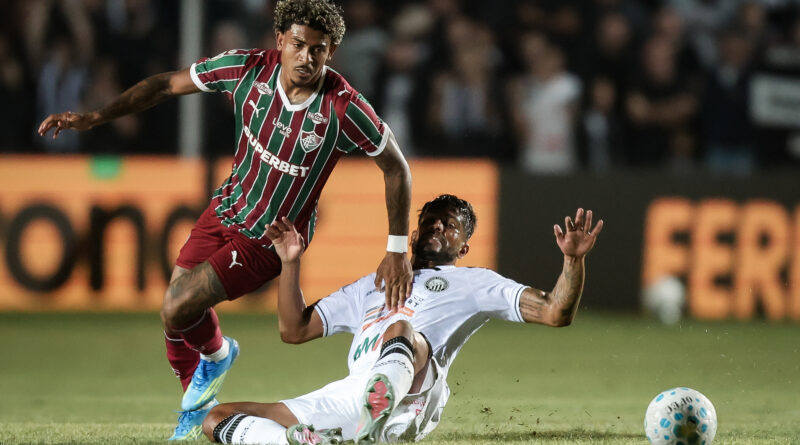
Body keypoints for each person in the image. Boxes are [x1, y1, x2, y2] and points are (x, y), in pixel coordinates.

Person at [37, 0, 413, 440]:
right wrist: (96, 117)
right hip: (226, 208)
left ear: (331, 52)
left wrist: (397, 248)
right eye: (299, 44)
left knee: (176, 305)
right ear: (280, 41)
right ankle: (201, 399)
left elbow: (396, 167)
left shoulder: (343, 107)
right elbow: (164, 85)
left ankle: (214, 358)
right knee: (174, 317)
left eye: (320, 49)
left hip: (268, 239)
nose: (307, 57)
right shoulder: (247, 70)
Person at [201, 194, 603, 444]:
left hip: (412, 395)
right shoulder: (371, 285)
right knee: (217, 418)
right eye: (430, 221)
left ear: (464, 247)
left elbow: (555, 312)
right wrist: (291, 263)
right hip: (356, 391)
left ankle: (374, 429)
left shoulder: (473, 281)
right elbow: (294, 330)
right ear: (412, 234)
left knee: (401, 330)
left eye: (451, 227)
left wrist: (573, 261)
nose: (438, 228)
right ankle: (310, 442)